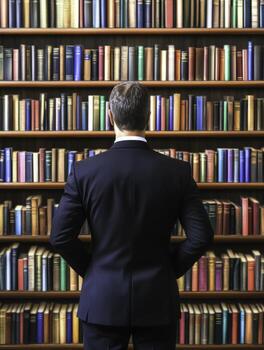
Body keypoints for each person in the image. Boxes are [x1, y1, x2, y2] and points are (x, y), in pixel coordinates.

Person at [49, 81, 214, 350]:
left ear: (109, 116)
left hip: (102, 299)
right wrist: (168, 269)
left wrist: (93, 271)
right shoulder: (178, 173)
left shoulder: (84, 172)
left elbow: (59, 237)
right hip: (157, 298)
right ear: (149, 116)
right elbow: (202, 236)